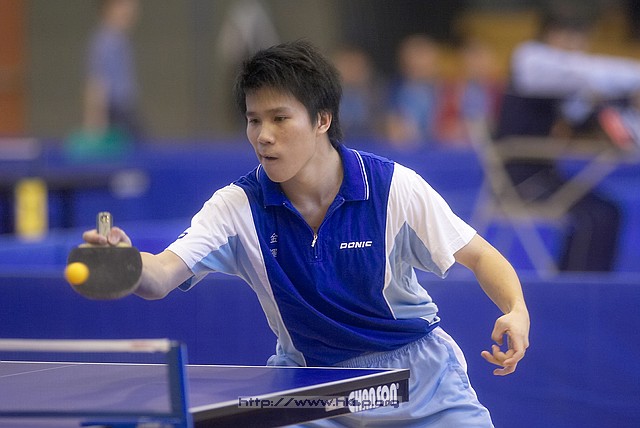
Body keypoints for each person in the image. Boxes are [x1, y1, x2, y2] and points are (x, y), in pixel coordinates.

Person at [83, 40, 529, 427]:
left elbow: (480, 256)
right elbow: (161, 275)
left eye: (280, 118)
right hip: (312, 391)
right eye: (254, 120)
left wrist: (516, 309)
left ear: (322, 120)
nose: (264, 136)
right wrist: (126, 264)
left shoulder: (392, 188)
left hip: (418, 383)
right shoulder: (237, 208)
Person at [494, 9, 640, 271]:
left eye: (582, 38)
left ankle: (589, 287)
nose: (578, 45)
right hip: (520, 179)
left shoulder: (563, 80)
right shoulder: (530, 59)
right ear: (551, 34)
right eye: (571, 36)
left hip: (547, 174)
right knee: (590, 217)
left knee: (609, 212)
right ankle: (574, 287)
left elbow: (580, 114)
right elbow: (586, 72)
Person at [83, 0, 142, 143]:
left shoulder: (120, 40)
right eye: (124, 6)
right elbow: (96, 85)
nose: (130, 11)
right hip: (114, 114)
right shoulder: (105, 43)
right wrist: (96, 124)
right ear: (109, 9)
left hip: (125, 110)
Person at [384, 34, 443, 148]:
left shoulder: (449, 91)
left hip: (440, 150)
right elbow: (386, 121)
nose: (419, 68)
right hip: (405, 149)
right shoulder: (393, 91)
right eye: (414, 65)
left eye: (424, 65)